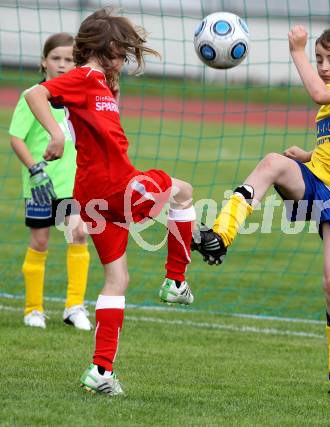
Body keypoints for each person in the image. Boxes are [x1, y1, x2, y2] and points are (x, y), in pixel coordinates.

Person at [192, 24, 330, 394]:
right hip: (318, 181)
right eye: (319, 59)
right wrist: (309, 155)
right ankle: (221, 234)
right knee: (274, 162)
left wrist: (297, 51)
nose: (323, 65)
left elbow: (316, 91)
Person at [25, 8, 196, 396]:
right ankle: (176, 279)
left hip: (94, 196)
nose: (124, 58)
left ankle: (100, 371)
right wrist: (55, 135)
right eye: (120, 51)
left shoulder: (101, 84)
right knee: (183, 192)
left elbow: (101, 130)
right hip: (116, 185)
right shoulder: (84, 76)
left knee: (118, 279)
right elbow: (35, 93)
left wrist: (113, 94)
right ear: (104, 48)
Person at [9, 33, 92, 331]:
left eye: (69, 59)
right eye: (56, 58)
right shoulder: (33, 95)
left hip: (72, 186)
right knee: (40, 242)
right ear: (44, 62)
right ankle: (33, 309)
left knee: (78, 235)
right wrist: (34, 169)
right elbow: (15, 137)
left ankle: (74, 307)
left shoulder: (78, 98)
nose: (62, 64)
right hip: (41, 186)